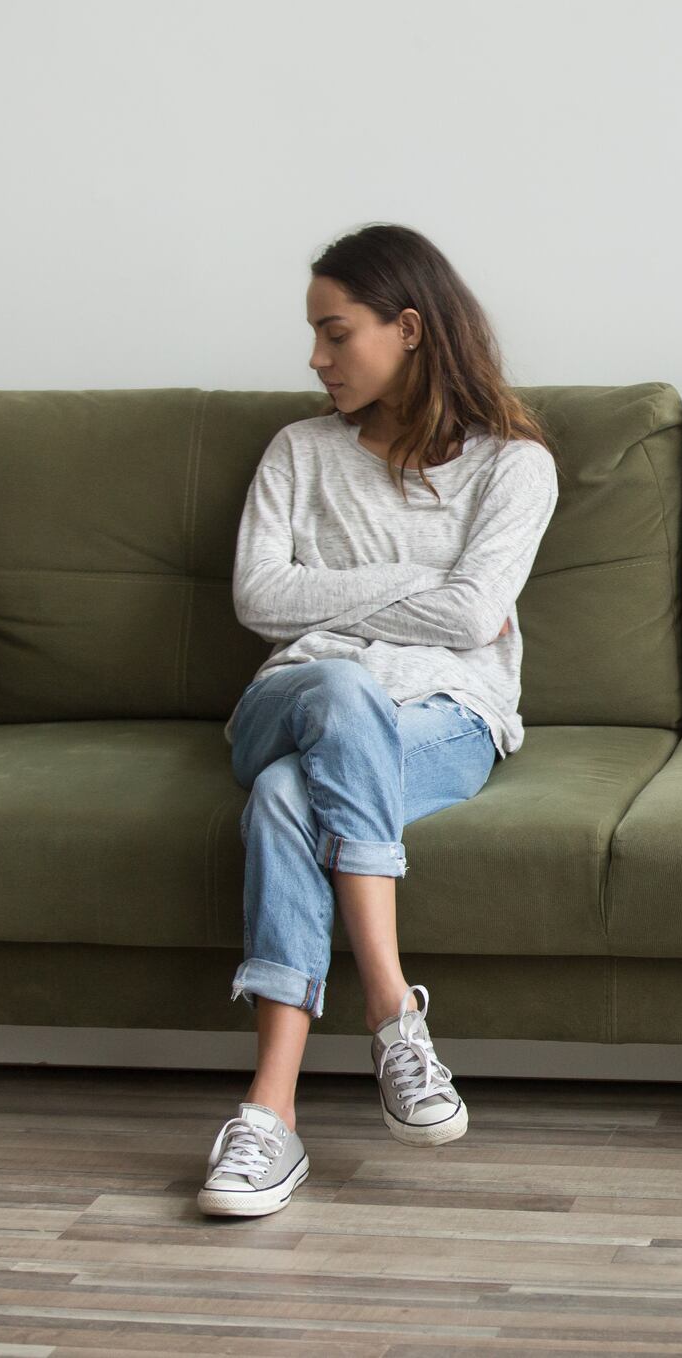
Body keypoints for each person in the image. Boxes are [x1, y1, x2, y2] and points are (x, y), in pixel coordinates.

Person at [196, 224, 559, 1218]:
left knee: (284, 798)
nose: (315, 359)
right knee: (340, 696)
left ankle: (270, 1117)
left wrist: (341, 595)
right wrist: (417, 583)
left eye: (334, 332)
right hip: (291, 698)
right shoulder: (297, 453)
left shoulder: (513, 467)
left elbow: (473, 616)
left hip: (445, 717)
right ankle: (395, 1011)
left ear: (407, 328)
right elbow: (260, 598)